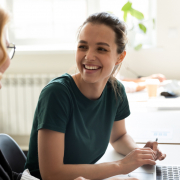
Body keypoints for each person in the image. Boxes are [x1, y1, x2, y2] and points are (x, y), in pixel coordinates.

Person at [25, 12, 166, 180]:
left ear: (120, 57)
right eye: (83, 46)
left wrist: (138, 154)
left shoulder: (116, 90)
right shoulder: (57, 94)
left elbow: (119, 137)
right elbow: (52, 173)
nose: (89, 56)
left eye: (101, 49)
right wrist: (121, 166)